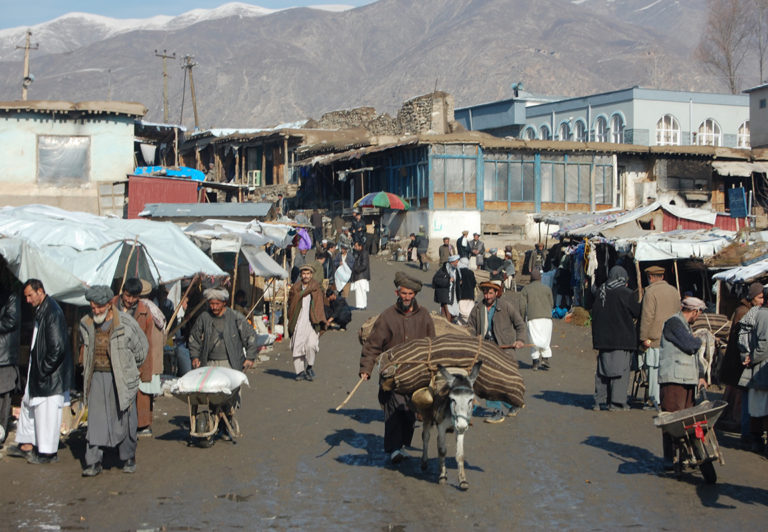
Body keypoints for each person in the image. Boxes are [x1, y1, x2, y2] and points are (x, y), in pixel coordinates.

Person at [360, 272, 435, 464]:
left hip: (417, 375)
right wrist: (366, 368)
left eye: (410, 294)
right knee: (394, 408)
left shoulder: (425, 316)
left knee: (410, 412)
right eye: (404, 293)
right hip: (392, 374)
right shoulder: (387, 317)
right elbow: (373, 345)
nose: (407, 297)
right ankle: (394, 449)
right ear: (397, 292)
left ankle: (401, 445)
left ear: (415, 295)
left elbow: (432, 345)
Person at [79, 286, 148, 477]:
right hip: (96, 377)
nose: (96, 311)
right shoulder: (86, 323)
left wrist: (127, 368)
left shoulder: (126, 324)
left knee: (125, 417)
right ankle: (93, 461)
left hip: (120, 378)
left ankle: (128, 457)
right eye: (93, 307)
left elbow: (141, 350)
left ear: (109, 304)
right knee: (95, 419)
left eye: (100, 307)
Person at [7, 279, 73, 464]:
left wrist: (43, 370)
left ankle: (47, 453)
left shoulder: (52, 312)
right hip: (38, 372)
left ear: (40, 291)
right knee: (29, 407)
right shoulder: (43, 310)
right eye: (26, 296)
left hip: (49, 377)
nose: (27, 300)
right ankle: (26, 445)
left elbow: (57, 348)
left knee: (47, 414)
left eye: (30, 295)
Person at [466, 279, 526, 423]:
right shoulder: (478, 308)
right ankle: (508, 406)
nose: (487, 296)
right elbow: (470, 326)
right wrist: (474, 337)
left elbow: (520, 325)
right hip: (485, 350)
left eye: (490, 293)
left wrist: (520, 340)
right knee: (488, 382)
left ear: (497, 293)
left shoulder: (506, 307)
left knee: (498, 382)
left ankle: (500, 411)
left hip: (504, 350)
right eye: (485, 293)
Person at [658, 297, 707, 469]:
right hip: (673, 379)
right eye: (699, 313)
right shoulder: (674, 323)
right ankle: (669, 458)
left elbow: (694, 356)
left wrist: (701, 375)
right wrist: (699, 341)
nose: (699, 317)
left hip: (686, 379)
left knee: (687, 421)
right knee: (671, 419)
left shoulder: (685, 326)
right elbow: (690, 346)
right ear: (695, 312)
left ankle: (685, 454)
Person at [591, 266, 641, 411]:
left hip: (602, 340)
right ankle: (616, 403)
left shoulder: (601, 291)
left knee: (603, 371)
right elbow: (637, 312)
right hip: (622, 339)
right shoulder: (626, 293)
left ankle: (599, 401)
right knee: (621, 371)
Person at [720, 282, 763, 448]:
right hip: (741, 362)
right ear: (752, 297)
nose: (761, 300)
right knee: (745, 398)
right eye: (759, 297)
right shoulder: (744, 312)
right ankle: (746, 433)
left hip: (742, 361)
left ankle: (745, 430)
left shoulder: (746, 310)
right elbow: (743, 339)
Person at [113, 278, 156, 438]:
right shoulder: (111, 305)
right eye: (127, 296)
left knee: (138, 391)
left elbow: (147, 342)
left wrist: (145, 370)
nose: (129, 300)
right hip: (114, 355)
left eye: (134, 297)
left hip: (134, 358)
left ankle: (142, 424)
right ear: (122, 292)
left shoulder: (144, 312)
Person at [639, 265, 681, 409]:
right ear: (662, 277)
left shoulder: (650, 293)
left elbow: (647, 317)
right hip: (672, 338)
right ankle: (666, 400)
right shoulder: (674, 292)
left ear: (650, 277)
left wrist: (644, 337)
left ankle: (654, 400)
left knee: (654, 371)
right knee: (668, 372)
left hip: (655, 338)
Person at [188, 288, 258, 372]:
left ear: (224, 303)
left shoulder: (235, 317)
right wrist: (195, 356)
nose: (214, 307)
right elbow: (194, 337)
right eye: (211, 304)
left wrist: (250, 357)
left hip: (231, 364)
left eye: (217, 304)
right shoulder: (204, 317)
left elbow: (250, 336)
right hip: (209, 363)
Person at [287, 265, 326, 381]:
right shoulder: (295, 288)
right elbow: (291, 302)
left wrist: (321, 319)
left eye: (308, 274)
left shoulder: (316, 287)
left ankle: (309, 366)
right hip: (298, 320)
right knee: (297, 346)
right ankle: (299, 372)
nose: (306, 276)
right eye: (304, 274)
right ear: (301, 275)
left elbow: (320, 304)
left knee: (311, 345)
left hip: (312, 321)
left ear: (311, 275)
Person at [743, 296, 768, 456]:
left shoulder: (755, 313)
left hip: (757, 368)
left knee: (758, 406)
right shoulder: (764, 315)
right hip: (762, 369)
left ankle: (756, 440)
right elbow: (765, 345)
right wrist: (753, 358)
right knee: (760, 407)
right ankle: (757, 441)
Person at [0, 268, 20, 448]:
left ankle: (0, 433)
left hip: (4, 357)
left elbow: (11, 320)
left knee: (4, 396)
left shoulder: (11, 297)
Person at [520, 269, 554, 371]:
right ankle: (545, 358)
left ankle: (535, 363)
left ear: (531, 278)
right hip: (546, 318)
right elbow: (551, 303)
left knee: (534, 341)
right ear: (540, 277)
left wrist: (522, 318)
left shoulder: (526, 289)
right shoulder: (547, 288)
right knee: (545, 338)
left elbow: (522, 306)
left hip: (533, 317)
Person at [433, 255, 460, 322]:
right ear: (451, 262)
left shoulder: (456, 270)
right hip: (445, 295)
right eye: (455, 262)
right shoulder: (443, 270)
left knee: (454, 312)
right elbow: (435, 280)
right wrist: (448, 281)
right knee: (447, 312)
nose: (457, 264)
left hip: (453, 296)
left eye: (457, 262)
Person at [455, 257, 477, 326]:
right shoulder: (471, 272)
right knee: (469, 312)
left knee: (462, 313)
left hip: (461, 296)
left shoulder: (458, 272)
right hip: (470, 296)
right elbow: (474, 283)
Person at [349, 240, 371, 310]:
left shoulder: (364, 253)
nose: (355, 247)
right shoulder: (359, 253)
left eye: (356, 246)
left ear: (360, 246)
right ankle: (362, 305)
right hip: (360, 275)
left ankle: (361, 306)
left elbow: (364, 265)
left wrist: (356, 269)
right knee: (361, 291)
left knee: (360, 291)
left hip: (361, 275)